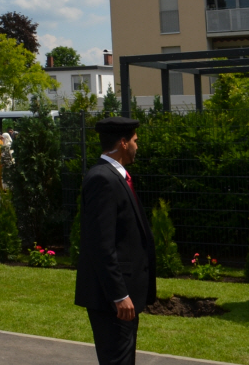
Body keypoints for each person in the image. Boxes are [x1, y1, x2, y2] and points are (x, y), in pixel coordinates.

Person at [75, 117, 156, 365]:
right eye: (134, 141)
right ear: (122, 143)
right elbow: (101, 244)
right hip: (112, 299)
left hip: (122, 296)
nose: (137, 146)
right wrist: (119, 295)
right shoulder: (103, 179)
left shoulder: (116, 176)